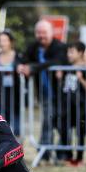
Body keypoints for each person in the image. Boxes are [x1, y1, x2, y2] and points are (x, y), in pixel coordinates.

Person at [17, 20, 67, 163]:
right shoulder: (33, 47)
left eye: (44, 32)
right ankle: (46, 153)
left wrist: (33, 68)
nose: (41, 35)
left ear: (51, 33)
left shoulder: (59, 46)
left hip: (62, 93)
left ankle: (62, 152)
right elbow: (22, 59)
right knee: (48, 121)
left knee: (62, 122)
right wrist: (20, 66)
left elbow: (55, 61)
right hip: (44, 93)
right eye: (38, 32)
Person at [56, 42, 86, 166]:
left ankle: (79, 158)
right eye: (68, 52)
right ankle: (68, 156)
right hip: (66, 106)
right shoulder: (67, 67)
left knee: (80, 133)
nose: (69, 54)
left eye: (72, 51)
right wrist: (59, 77)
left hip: (80, 106)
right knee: (64, 130)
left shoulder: (85, 68)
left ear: (80, 53)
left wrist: (81, 79)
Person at [0, 30, 22, 136]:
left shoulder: (18, 56)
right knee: (1, 127)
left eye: (5, 40)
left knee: (17, 128)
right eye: (0, 40)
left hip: (15, 96)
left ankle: (19, 149)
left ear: (10, 42)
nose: (2, 43)